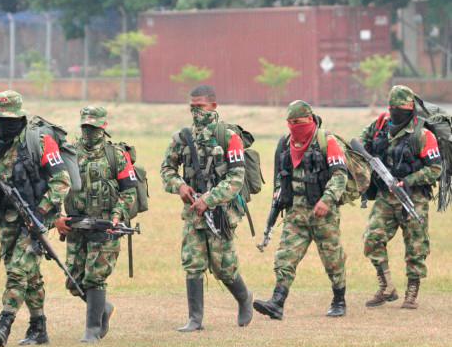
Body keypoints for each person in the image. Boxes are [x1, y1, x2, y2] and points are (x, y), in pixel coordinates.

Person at [0, 90, 71, 347]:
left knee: (17, 270)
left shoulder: (40, 141)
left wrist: (40, 212)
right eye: (1, 119)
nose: (5, 124)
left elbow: (62, 182)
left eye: (10, 119)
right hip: (6, 216)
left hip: (36, 215)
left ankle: (5, 322)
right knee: (29, 273)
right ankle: (39, 327)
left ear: (21, 117)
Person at [160, 85, 253, 332]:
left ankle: (244, 299)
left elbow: (236, 178)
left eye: (200, 107)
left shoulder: (228, 136)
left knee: (224, 266)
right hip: (193, 211)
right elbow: (166, 169)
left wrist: (209, 199)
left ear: (213, 106)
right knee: (192, 262)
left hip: (221, 212)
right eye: (192, 107)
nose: (196, 112)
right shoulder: (182, 138)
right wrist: (179, 186)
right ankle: (195, 319)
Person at [253, 100, 348, 320]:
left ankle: (339, 299)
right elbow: (279, 175)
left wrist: (327, 199)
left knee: (332, 259)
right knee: (285, 257)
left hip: (323, 214)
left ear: (310, 119)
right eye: (290, 122)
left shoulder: (327, 141)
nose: (294, 126)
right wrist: (278, 196)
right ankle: (277, 302)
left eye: (298, 122)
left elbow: (340, 175)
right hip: (296, 213)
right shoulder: (285, 143)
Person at [55, 106, 137, 343]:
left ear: (103, 127)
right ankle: (104, 308)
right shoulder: (68, 152)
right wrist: (57, 217)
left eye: (93, 127)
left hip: (105, 225)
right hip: (76, 226)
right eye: (85, 127)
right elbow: (55, 184)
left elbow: (129, 192)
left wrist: (117, 216)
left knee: (95, 278)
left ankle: (92, 330)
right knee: (74, 282)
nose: (89, 131)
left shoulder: (116, 155)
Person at [360, 85, 442, 309]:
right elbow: (360, 143)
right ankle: (386, 286)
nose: (396, 113)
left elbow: (436, 169)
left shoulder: (422, 135)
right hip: (386, 196)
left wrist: (408, 181)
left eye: (401, 109)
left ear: (410, 109)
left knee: (416, 247)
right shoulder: (380, 126)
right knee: (371, 239)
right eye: (393, 108)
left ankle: (412, 292)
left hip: (414, 198)